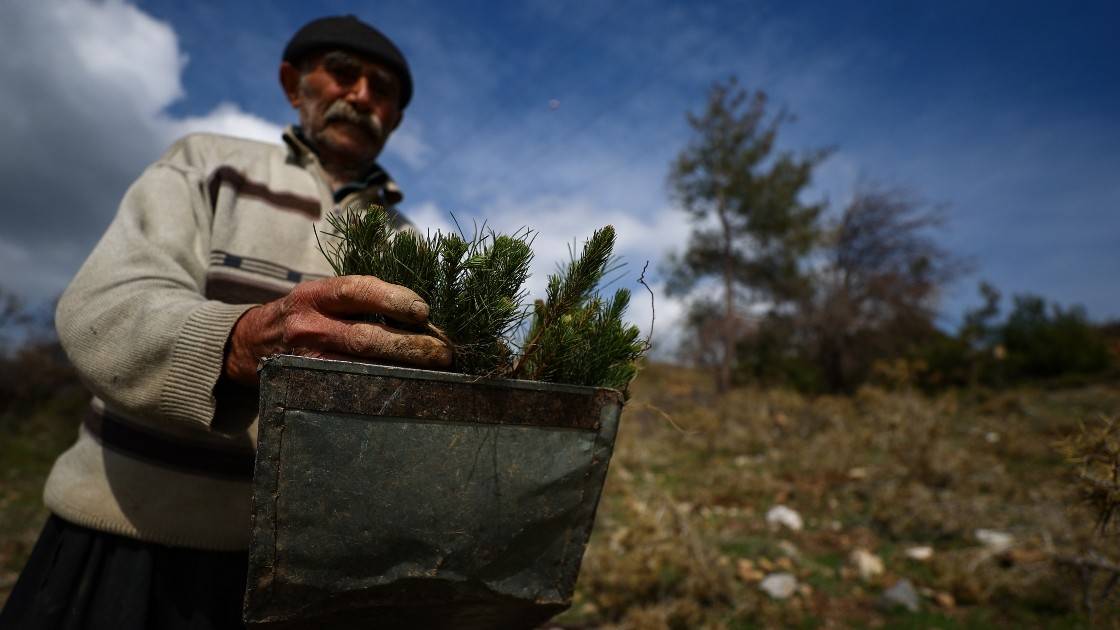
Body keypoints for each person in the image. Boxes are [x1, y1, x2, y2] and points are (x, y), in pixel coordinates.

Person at [0, 15, 448, 630]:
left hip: (313, 575)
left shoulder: (412, 244)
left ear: (395, 118)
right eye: (344, 73)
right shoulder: (210, 163)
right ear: (295, 84)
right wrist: (238, 341)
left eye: (384, 90)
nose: (363, 96)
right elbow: (104, 306)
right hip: (131, 539)